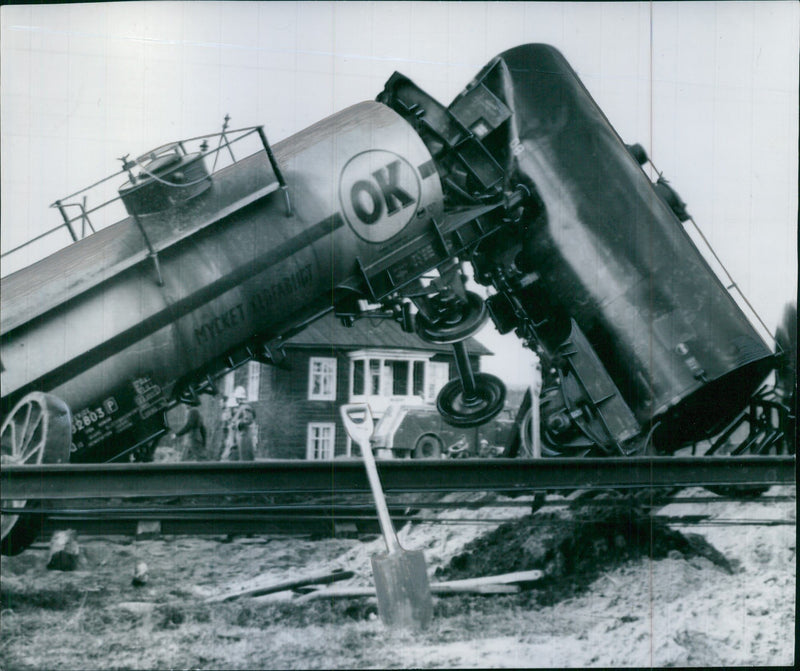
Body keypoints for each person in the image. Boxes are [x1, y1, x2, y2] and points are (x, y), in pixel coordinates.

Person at [221, 386, 257, 461]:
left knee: (246, 459)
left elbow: (248, 420)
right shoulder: (243, 407)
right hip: (241, 436)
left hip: (244, 436)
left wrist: (237, 424)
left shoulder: (245, 408)